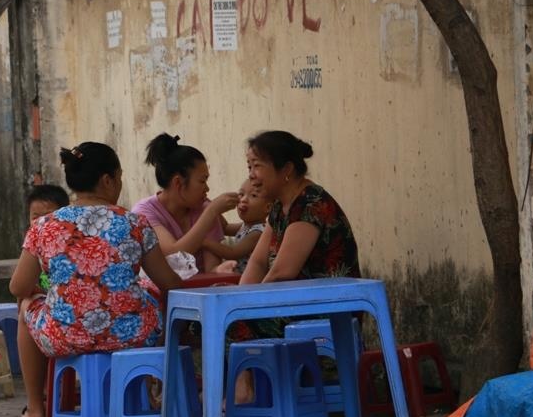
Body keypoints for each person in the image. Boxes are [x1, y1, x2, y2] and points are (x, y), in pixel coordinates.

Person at [9, 142, 182, 417]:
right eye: (119, 176)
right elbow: (168, 283)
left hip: (65, 336)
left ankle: (36, 410)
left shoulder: (44, 226)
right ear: (107, 180)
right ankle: (151, 395)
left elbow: (18, 287)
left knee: (25, 306)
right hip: (132, 334)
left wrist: (46, 293)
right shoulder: (135, 223)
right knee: (151, 292)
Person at [232, 130, 361, 402]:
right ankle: (246, 387)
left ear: (287, 169)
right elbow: (257, 261)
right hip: (293, 304)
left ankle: (246, 391)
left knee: (233, 321)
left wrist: (243, 305)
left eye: (258, 166)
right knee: (216, 319)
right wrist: (236, 299)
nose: (252, 175)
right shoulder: (280, 208)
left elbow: (283, 272)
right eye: (249, 166)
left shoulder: (312, 204)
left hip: (323, 310)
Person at [132, 133, 238, 274]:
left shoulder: (204, 208)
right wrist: (212, 211)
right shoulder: (145, 212)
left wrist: (220, 270)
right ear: (178, 182)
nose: (207, 188)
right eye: (202, 181)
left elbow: (211, 270)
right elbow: (173, 253)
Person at [203, 179, 272, 274]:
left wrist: (205, 243)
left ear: (267, 207)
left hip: (250, 280)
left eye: (253, 195)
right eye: (241, 194)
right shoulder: (245, 226)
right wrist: (214, 208)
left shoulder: (258, 232)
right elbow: (225, 227)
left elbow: (233, 253)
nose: (243, 200)